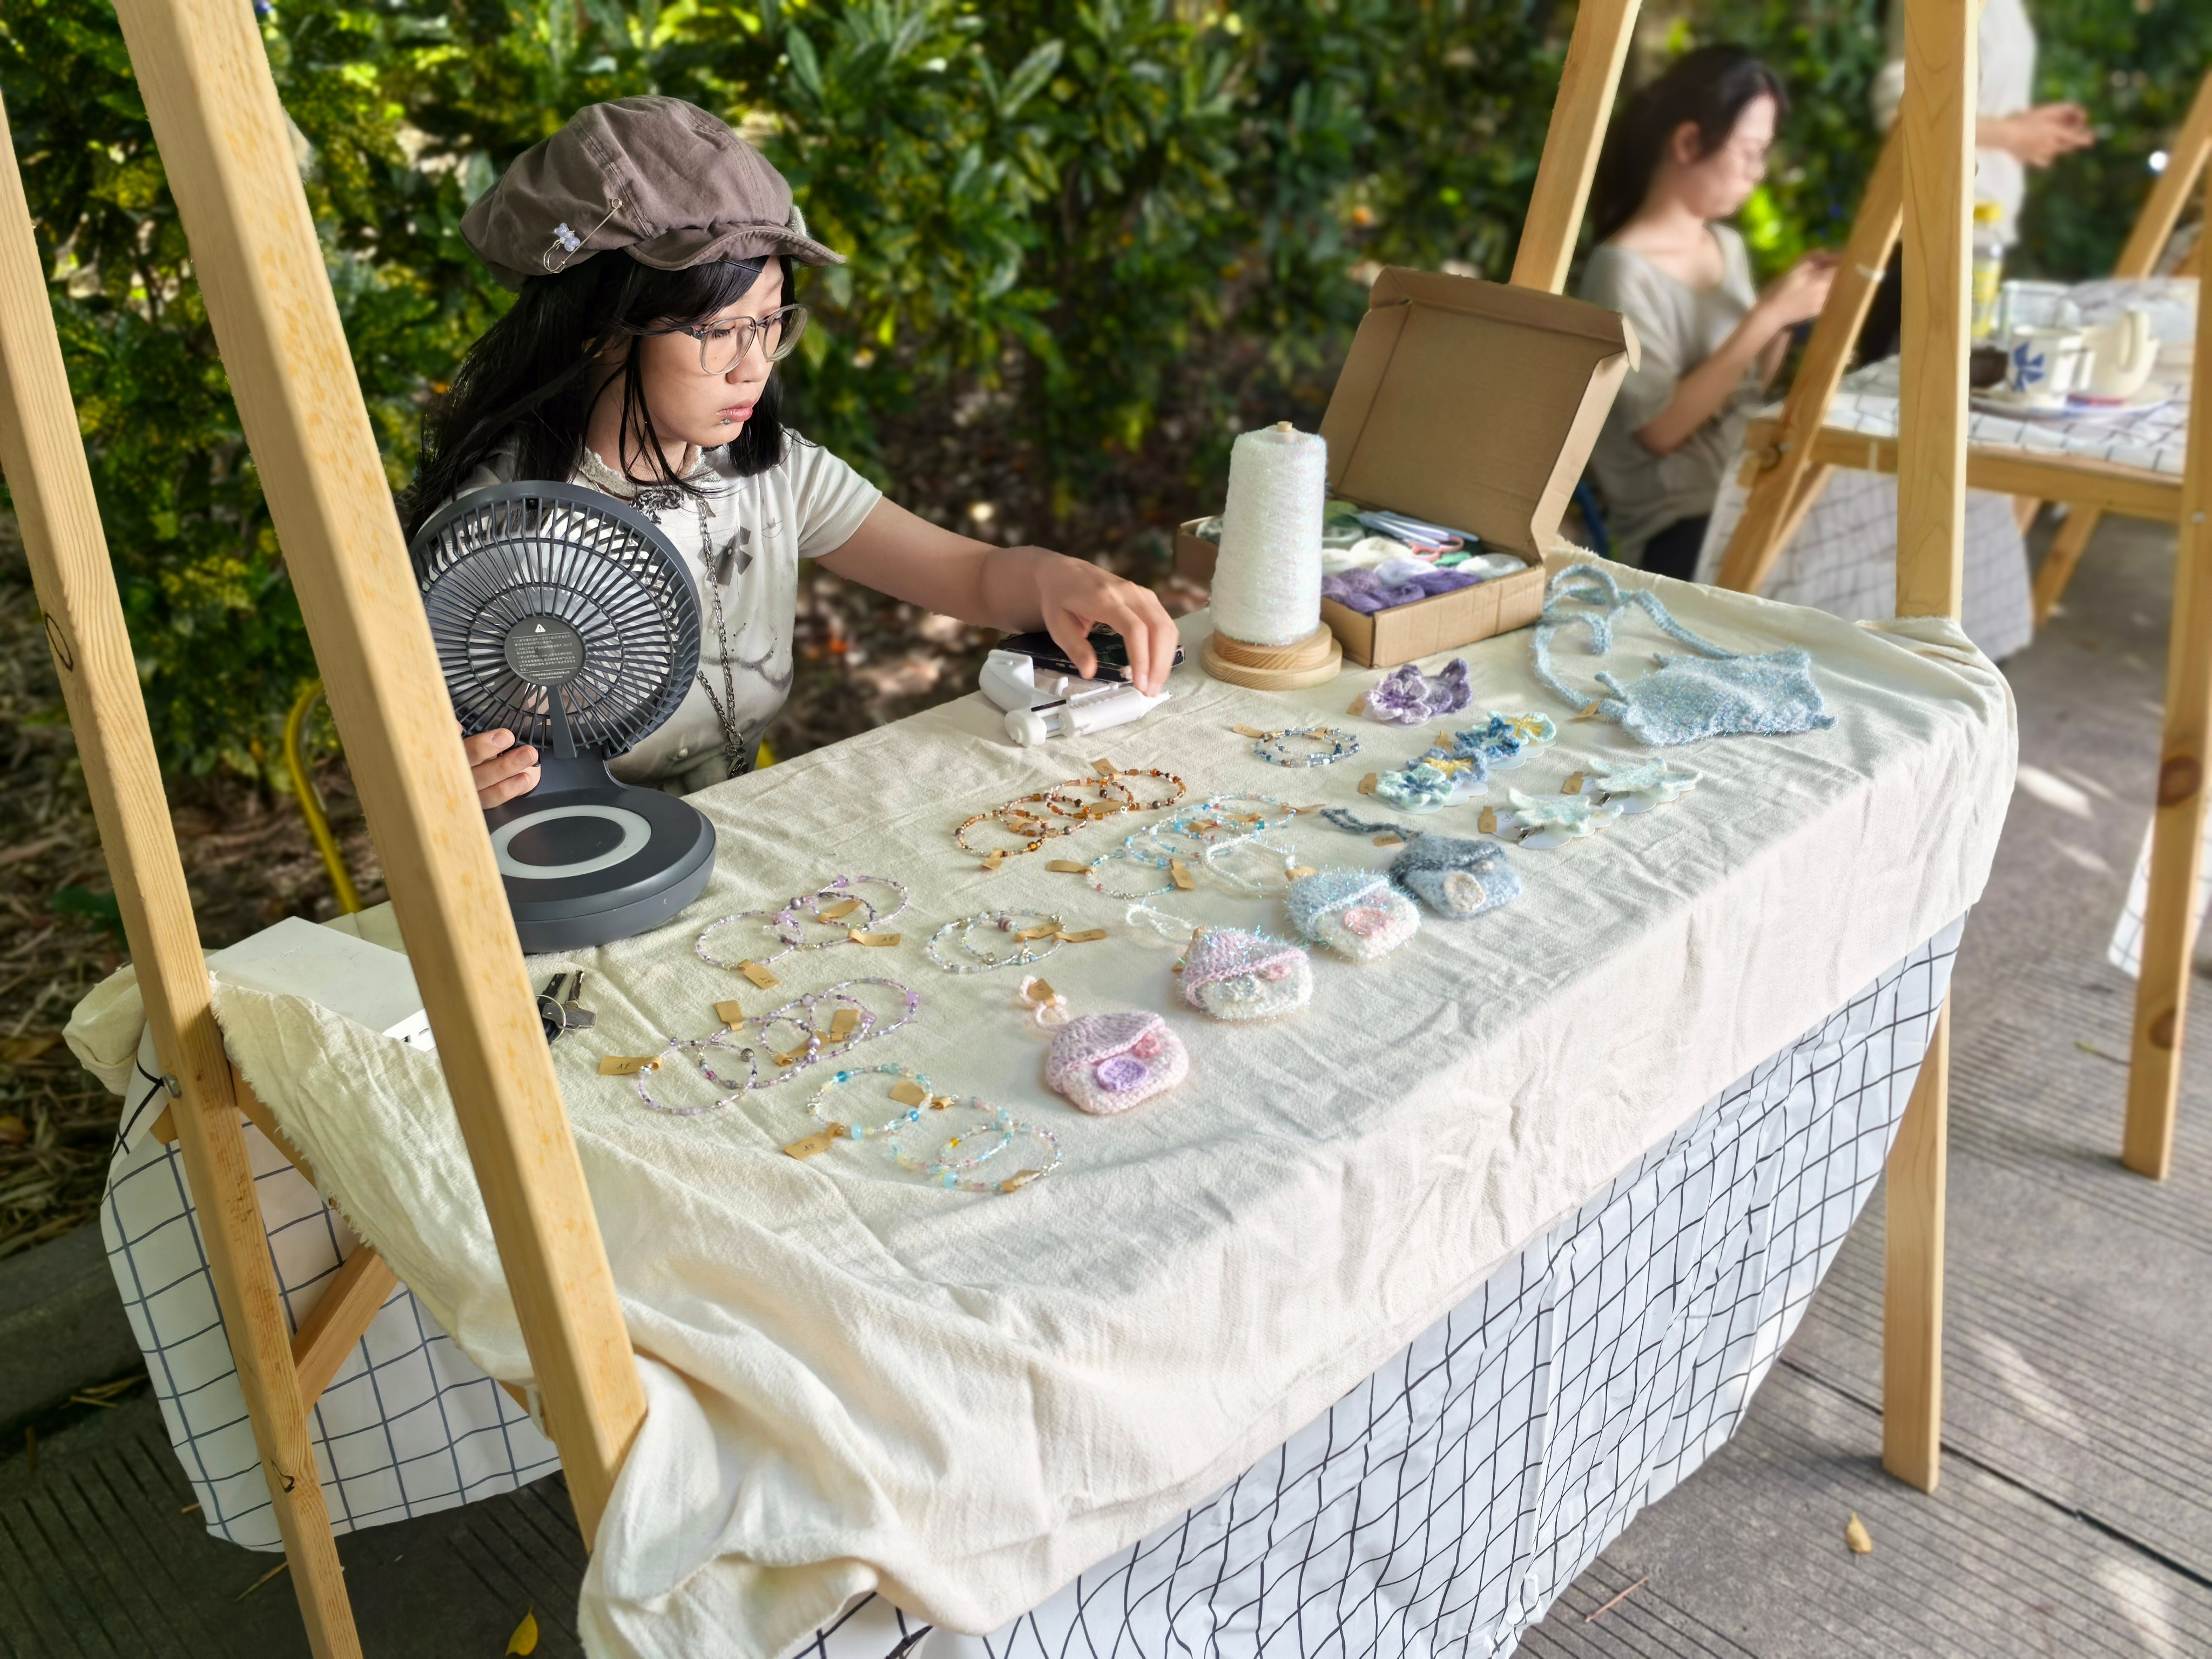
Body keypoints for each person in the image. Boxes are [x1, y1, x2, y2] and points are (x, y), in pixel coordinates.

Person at [412, 97, 1177, 807]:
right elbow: (437, 768)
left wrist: (1055, 578)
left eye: (772, 321)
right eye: (718, 331)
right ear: (598, 331)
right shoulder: (497, 539)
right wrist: (451, 785)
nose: (755, 366)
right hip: (571, 870)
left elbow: (971, 576)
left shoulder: (769, 475)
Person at [1577, 47, 1839, 580]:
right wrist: (1766, 316)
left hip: (1743, 488)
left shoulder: (1725, 245)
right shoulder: (1621, 271)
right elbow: (1660, 430)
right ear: (1688, 143)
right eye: (1749, 152)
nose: (1757, 173)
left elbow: (1745, 386)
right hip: (1681, 527)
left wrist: (1785, 316)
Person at [1857, 0, 2094, 359]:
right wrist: (2014, 134)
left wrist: (2027, 125)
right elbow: (1900, 110)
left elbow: (1974, 99)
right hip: (1932, 232)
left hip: (1986, 235)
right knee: (1900, 384)